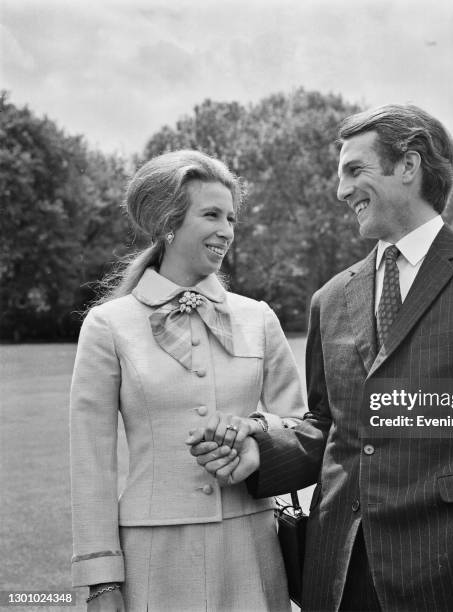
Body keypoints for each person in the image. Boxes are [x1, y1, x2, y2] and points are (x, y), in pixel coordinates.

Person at [189, 105, 453, 611]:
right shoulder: (330, 298)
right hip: (336, 574)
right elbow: (329, 426)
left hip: (451, 574)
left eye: (355, 170)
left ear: (409, 166)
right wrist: (263, 452)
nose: (341, 190)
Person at [70, 150, 306, 611]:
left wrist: (256, 432)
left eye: (232, 218)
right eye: (212, 215)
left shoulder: (257, 318)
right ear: (168, 223)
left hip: (253, 547)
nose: (227, 231)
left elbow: (302, 424)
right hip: (153, 557)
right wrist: (101, 581)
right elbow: (91, 463)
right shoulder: (108, 326)